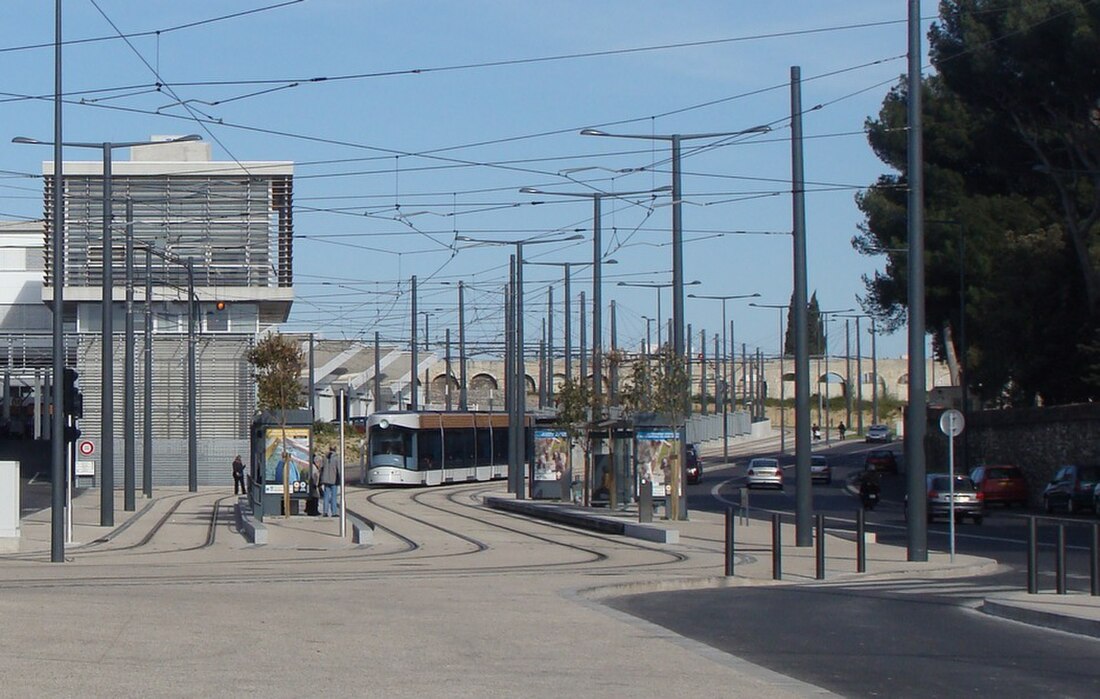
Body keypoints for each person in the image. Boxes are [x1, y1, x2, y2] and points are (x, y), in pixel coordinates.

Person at [321, 446, 341, 517]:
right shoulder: (337, 458)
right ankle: (334, 512)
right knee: (334, 496)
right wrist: (341, 479)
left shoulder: (325, 458)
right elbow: (339, 470)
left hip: (326, 480)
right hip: (334, 480)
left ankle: (325, 512)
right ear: (335, 449)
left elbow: (321, 468)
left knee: (326, 496)